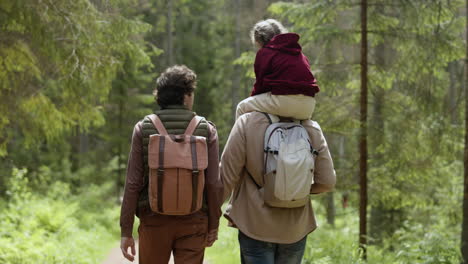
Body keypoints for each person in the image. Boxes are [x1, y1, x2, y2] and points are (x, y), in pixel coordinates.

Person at [120, 65, 223, 264]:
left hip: (153, 221)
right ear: (186, 96)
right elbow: (213, 183)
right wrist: (213, 224)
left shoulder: (143, 128)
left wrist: (126, 230)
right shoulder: (206, 129)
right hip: (194, 221)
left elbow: (133, 183)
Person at [220, 111, 336, 263]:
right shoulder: (310, 127)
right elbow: (327, 182)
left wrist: (209, 216)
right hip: (295, 227)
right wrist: (296, 189)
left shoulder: (247, 122)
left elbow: (226, 177)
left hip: (255, 223)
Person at [236, 19, 320, 120]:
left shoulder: (265, 53)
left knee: (241, 107)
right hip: (308, 106)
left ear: (259, 40)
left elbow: (260, 87)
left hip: (284, 103)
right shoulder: (300, 54)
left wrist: (252, 98)